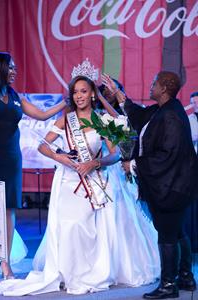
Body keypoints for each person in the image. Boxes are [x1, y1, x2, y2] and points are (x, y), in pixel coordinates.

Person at [0, 74, 160, 296]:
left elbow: (115, 155)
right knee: (70, 227)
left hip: (94, 181)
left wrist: (96, 162)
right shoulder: (66, 119)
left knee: (89, 229)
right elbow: (43, 147)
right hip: (68, 182)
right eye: (75, 92)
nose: (79, 96)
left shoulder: (102, 120)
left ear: (92, 93)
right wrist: (61, 157)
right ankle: (68, 273)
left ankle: (90, 272)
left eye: (83, 91)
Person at [102, 71, 198, 299]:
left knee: (167, 234)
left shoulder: (172, 115)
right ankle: (185, 276)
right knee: (176, 231)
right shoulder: (163, 110)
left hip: (173, 186)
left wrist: (133, 164)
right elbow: (140, 116)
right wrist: (119, 95)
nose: (151, 86)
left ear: (164, 88)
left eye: (154, 83)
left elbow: (168, 154)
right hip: (175, 184)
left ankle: (168, 285)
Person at [0, 52, 66, 279]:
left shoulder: (14, 95)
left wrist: (67, 102)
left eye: (16, 67)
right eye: (11, 67)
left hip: (11, 160)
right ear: (0, 69)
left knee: (8, 210)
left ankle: (5, 264)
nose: (15, 71)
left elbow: (42, 114)